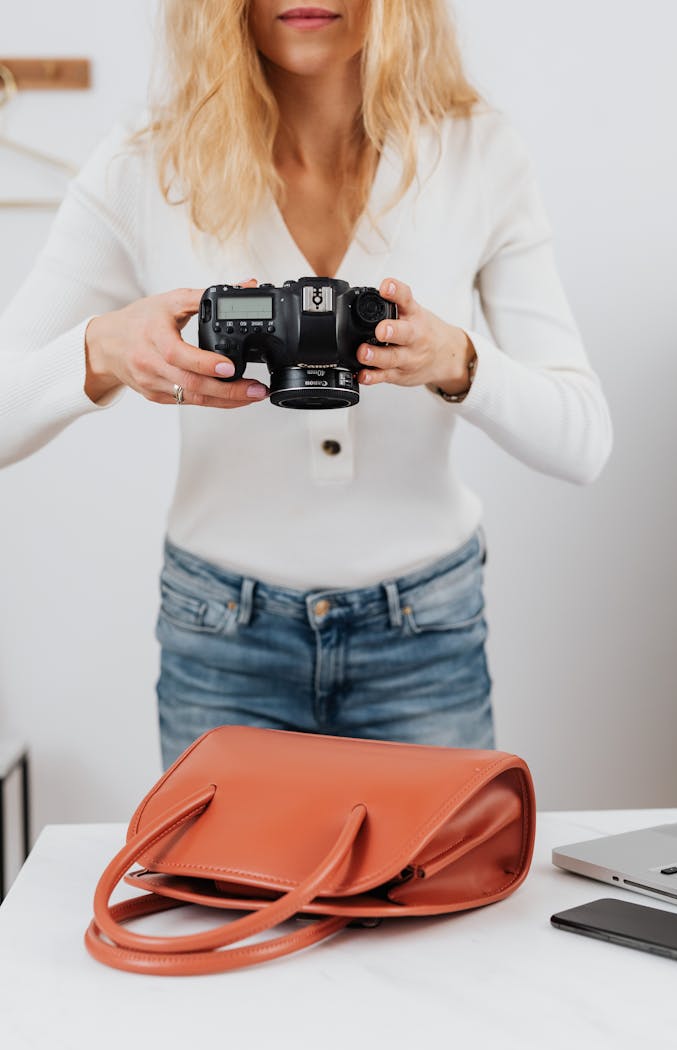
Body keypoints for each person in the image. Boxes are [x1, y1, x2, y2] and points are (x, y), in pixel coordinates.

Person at [0, 0, 612, 769]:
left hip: (426, 632)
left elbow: (583, 442)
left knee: (436, 889)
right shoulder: (145, 164)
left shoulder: (477, 152)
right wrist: (100, 352)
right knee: (229, 891)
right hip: (223, 636)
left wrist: (458, 362)